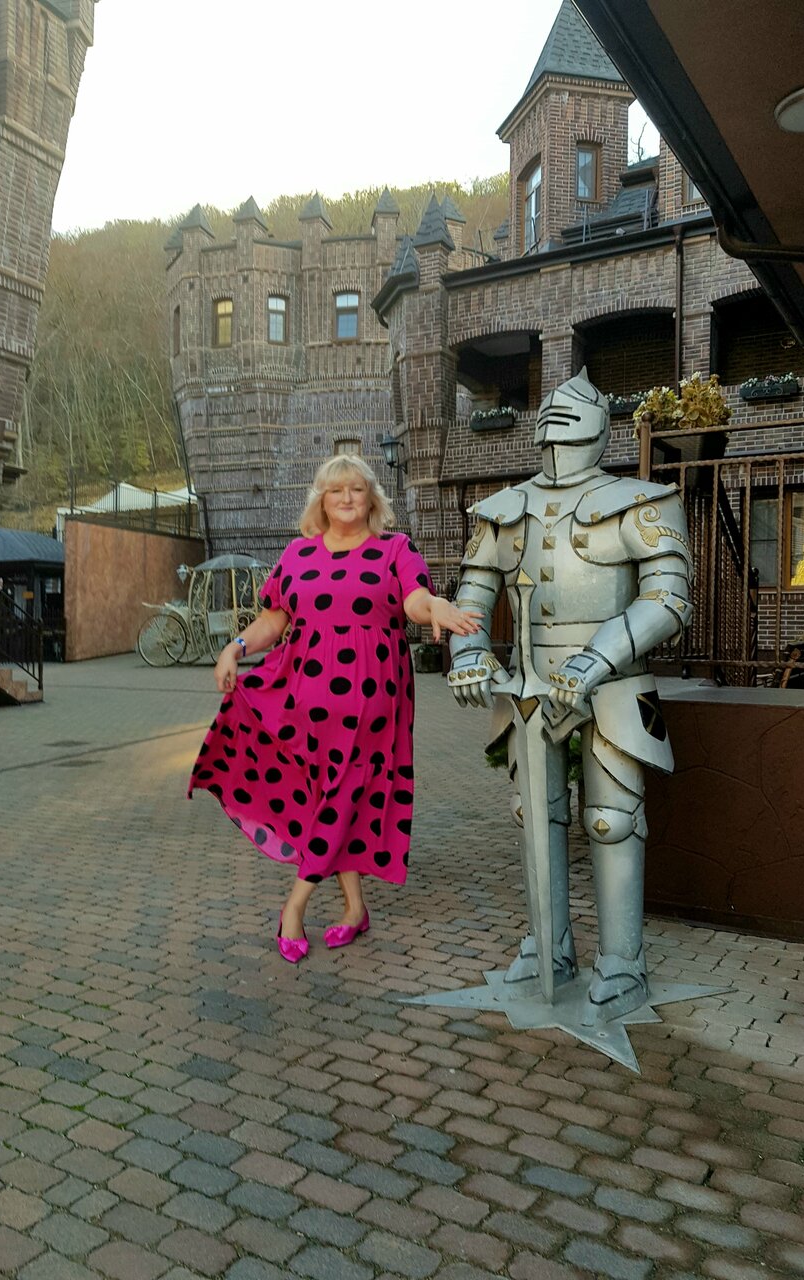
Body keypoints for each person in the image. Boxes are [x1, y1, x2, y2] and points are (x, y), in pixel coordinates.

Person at [448, 369, 693, 1020]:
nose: (556, 431)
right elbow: (472, 600)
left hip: (613, 685)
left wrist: (598, 655)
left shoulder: (640, 502)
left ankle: (622, 960)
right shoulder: (503, 510)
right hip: (528, 688)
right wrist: (470, 654)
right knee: (534, 817)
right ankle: (549, 945)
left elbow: (669, 599)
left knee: (612, 820)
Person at [189, 453, 479, 962]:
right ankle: (355, 909)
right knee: (326, 793)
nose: (346, 498)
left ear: (372, 499)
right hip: (302, 696)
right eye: (335, 490)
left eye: (356, 489)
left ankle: (294, 908)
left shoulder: (394, 548)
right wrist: (235, 648)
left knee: (344, 788)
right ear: (321, 500)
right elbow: (274, 620)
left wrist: (434, 606)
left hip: (371, 697)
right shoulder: (298, 554)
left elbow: (413, 600)